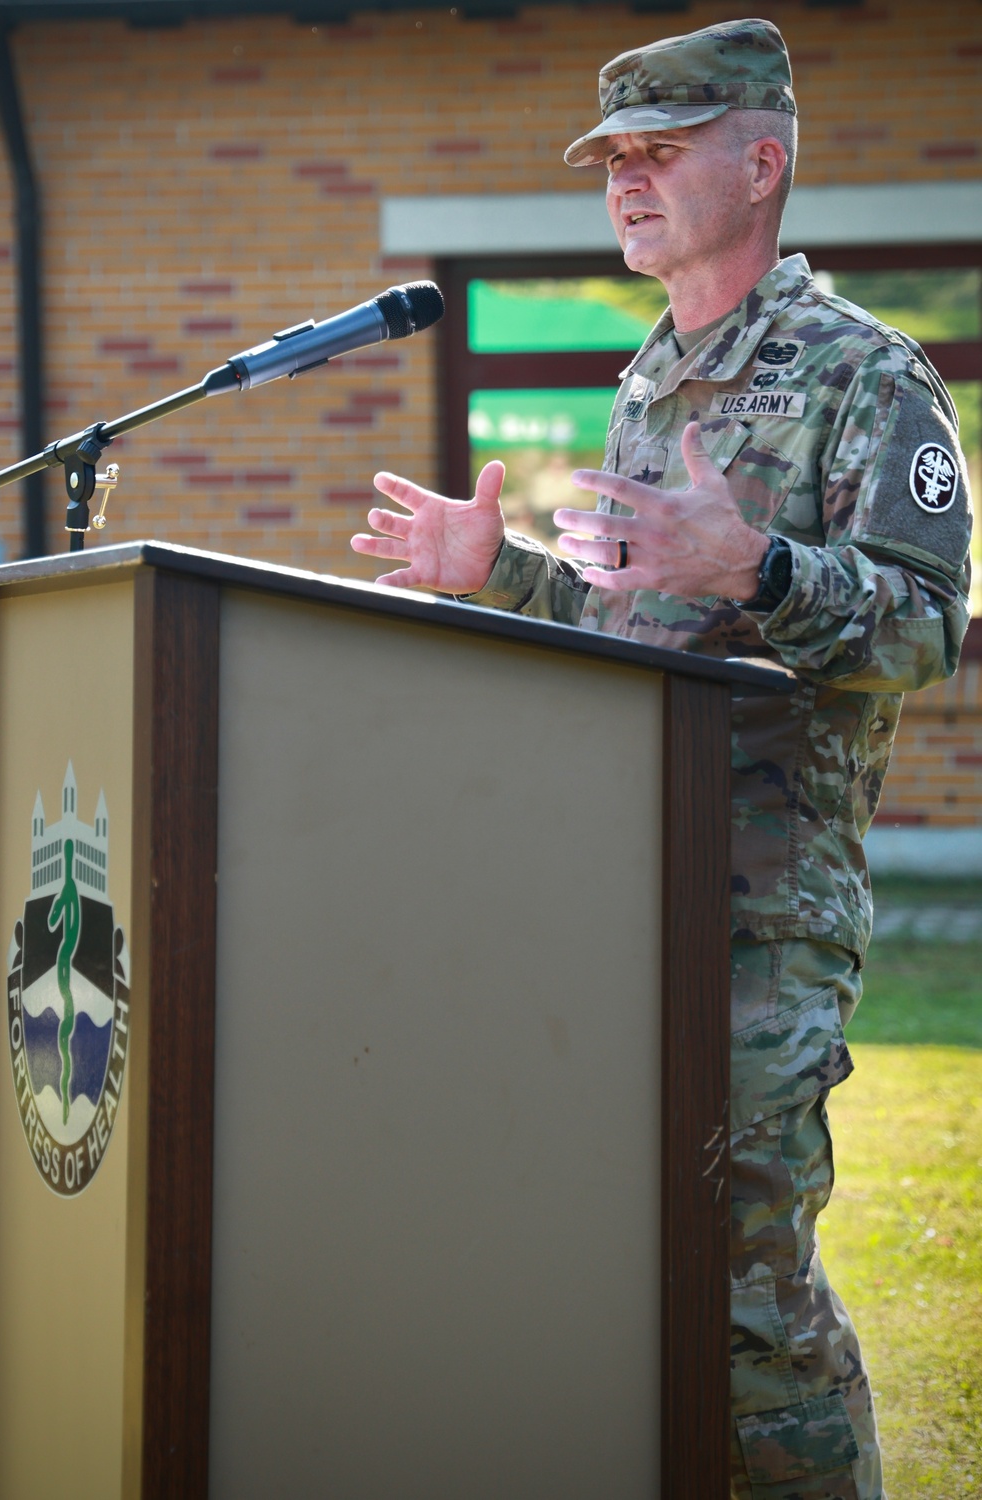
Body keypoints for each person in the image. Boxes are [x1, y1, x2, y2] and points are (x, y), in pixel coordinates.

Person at [351, 19, 972, 1500]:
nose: (624, 185)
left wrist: (759, 565)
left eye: (658, 152)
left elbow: (925, 633)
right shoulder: (650, 383)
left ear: (761, 164)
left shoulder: (867, 376)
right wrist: (496, 571)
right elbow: (644, 623)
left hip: (764, 900)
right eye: (612, 162)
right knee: (626, 1266)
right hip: (615, 877)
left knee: (744, 1284)